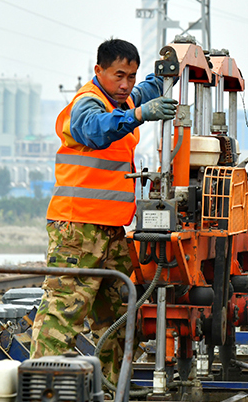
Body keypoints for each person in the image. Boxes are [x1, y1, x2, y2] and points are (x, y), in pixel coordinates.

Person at [29, 39, 178, 385]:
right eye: (118, 75)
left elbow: (142, 92)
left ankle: (111, 390)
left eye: (131, 76)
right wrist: (141, 114)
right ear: (99, 72)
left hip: (110, 230)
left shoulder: (121, 99)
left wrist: (172, 69)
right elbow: (97, 131)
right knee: (64, 313)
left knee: (123, 316)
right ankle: (42, 390)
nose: (125, 84)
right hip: (77, 228)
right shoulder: (86, 105)